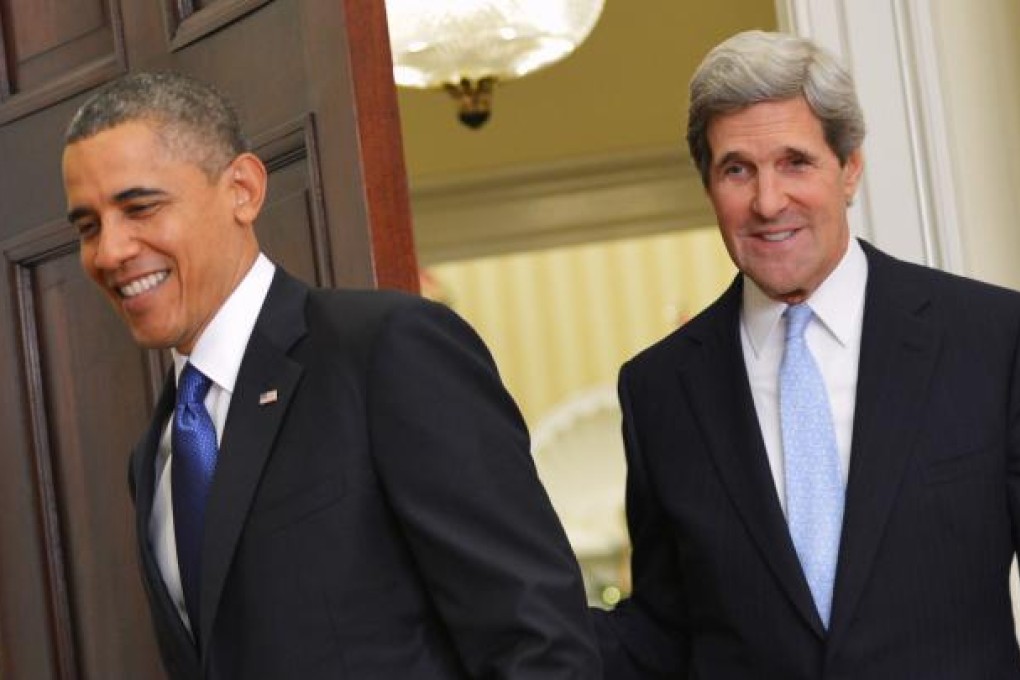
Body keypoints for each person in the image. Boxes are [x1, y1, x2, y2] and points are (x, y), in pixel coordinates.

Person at [61, 71, 601, 680]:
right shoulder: (155, 457)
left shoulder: (387, 350)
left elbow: (539, 640)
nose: (109, 252)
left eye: (140, 208)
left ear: (242, 189)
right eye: (88, 227)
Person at [594, 29, 1020, 678]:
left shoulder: (990, 337)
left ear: (849, 169)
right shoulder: (657, 390)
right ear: (708, 184)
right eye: (737, 169)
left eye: (795, 161)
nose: (768, 202)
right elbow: (662, 632)